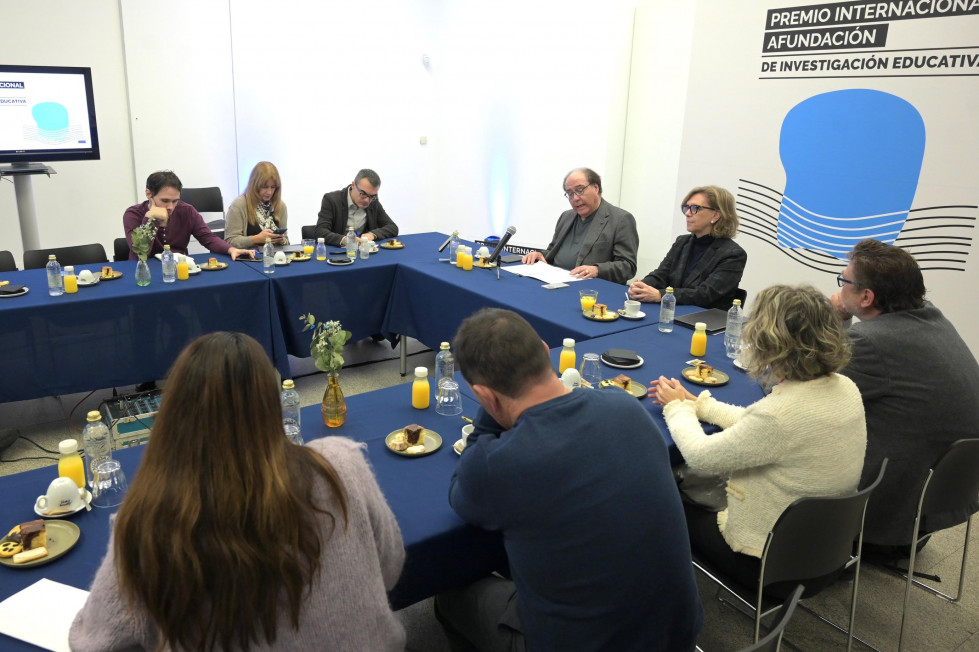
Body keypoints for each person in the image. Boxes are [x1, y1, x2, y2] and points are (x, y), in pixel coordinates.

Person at [69, 332, 405, 651]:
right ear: (271, 406)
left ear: (171, 416)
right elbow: (391, 568)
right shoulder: (342, 465)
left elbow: (93, 642)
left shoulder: (148, 523)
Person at [437, 308, 702, 651]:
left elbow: (462, 495)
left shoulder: (499, 464)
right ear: (546, 351)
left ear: (485, 396)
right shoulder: (626, 407)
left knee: (449, 592)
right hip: (678, 633)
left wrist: (490, 409)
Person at [652, 285, 866, 591]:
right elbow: (762, 427)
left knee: (657, 494)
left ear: (769, 342)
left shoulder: (780, 415)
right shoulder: (845, 388)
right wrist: (700, 405)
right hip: (826, 551)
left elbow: (700, 455)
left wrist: (675, 408)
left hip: (766, 563)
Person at [830, 239, 979, 556]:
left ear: (867, 297)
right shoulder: (931, 318)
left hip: (884, 518)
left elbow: (807, 388)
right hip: (937, 503)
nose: (840, 287)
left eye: (844, 281)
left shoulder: (873, 340)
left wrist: (838, 318)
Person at [629, 185, 746, 309]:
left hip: (704, 319)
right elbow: (661, 275)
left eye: (695, 208)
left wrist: (661, 295)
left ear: (716, 215)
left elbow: (705, 294)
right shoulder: (682, 242)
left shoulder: (733, 254)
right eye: (686, 208)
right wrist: (642, 285)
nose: (688, 213)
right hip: (674, 311)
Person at [521, 168, 638, 283]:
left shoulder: (620, 219)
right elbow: (553, 251)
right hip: (554, 281)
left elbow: (628, 266)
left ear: (596, 188)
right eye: (570, 193)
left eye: (580, 190)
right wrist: (540, 255)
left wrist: (597, 270)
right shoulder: (566, 217)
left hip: (590, 289)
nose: (575, 198)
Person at [123, 170, 253, 260]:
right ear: (149, 194)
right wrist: (150, 219)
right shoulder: (133, 214)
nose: (170, 207)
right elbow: (140, 252)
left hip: (178, 270)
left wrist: (231, 249)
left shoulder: (187, 211)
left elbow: (209, 238)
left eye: (175, 201)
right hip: (145, 272)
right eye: (165, 201)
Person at [313, 169, 399, 246]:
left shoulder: (373, 202)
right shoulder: (332, 200)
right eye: (363, 193)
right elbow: (320, 232)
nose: (367, 200)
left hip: (362, 253)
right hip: (338, 253)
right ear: (353, 185)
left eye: (372, 196)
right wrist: (345, 240)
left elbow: (392, 227)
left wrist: (372, 234)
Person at [224, 161, 290, 248]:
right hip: (249, 259)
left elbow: (286, 242)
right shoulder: (239, 205)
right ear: (254, 185)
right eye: (265, 187)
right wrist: (256, 239)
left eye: (273, 187)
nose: (269, 192)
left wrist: (281, 240)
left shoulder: (281, 206)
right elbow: (230, 241)